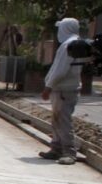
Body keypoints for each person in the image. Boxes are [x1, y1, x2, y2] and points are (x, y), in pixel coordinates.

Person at [39, 17, 90, 165]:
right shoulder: (77, 44)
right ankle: (56, 149)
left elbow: (60, 70)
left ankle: (69, 152)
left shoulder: (68, 46)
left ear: (65, 28)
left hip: (62, 89)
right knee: (58, 120)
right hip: (67, 88)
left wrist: (48, 87)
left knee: (63, 121)